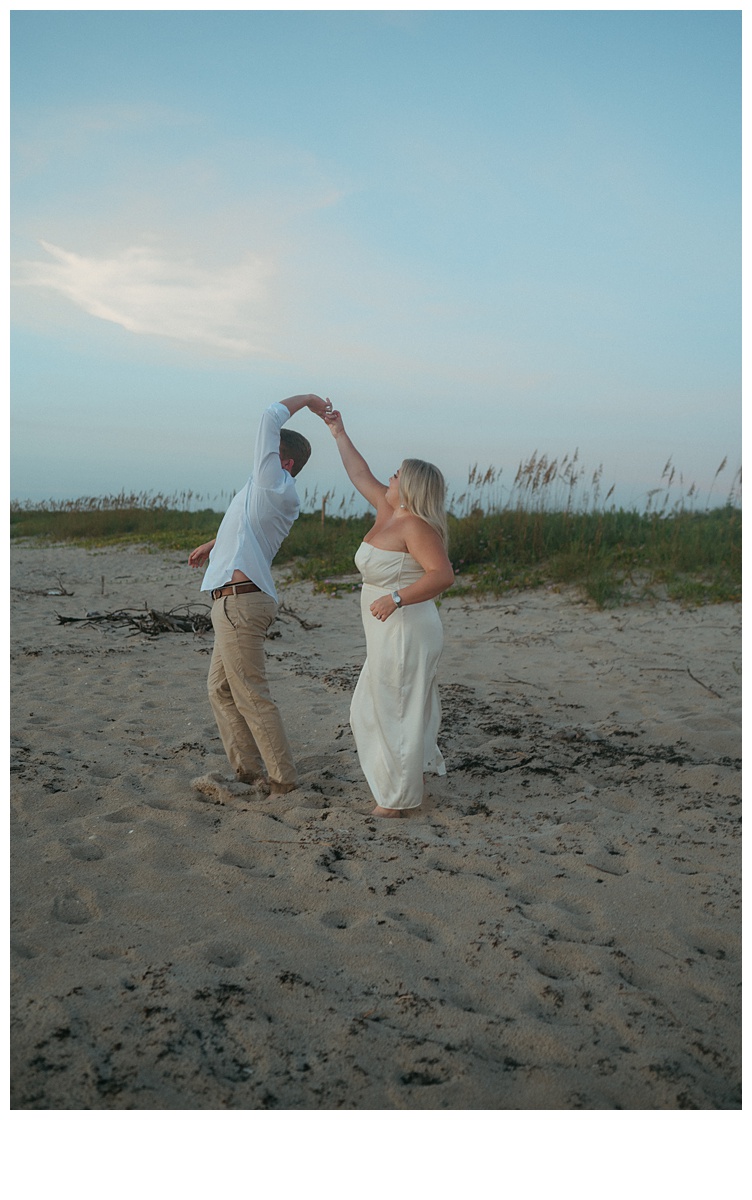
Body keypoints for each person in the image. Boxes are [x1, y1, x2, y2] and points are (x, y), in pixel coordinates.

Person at [188, 393, 331, 795]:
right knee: (220, 688)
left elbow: (270, 415)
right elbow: (242, 527)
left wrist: (311, 400)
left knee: (252, 693)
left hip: (240, 602)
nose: (261, 456)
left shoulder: (275, 484)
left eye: (271, 453)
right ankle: (249, 772)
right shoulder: (265, 489)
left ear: (284, 462)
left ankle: (283, 780)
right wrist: (210, 545)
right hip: (237, 599)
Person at [324, 407, 454, 818]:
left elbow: (443, 575)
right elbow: (358, 473)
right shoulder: (388, 512)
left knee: (394, 709)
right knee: (372, 707)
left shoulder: (415, 526)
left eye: (397, 474)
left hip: (406, 627)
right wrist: (339, 431)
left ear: (411, 485)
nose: (390, 477)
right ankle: (404, 779)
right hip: (385, 629)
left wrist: (396, 598)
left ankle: (397, 801)